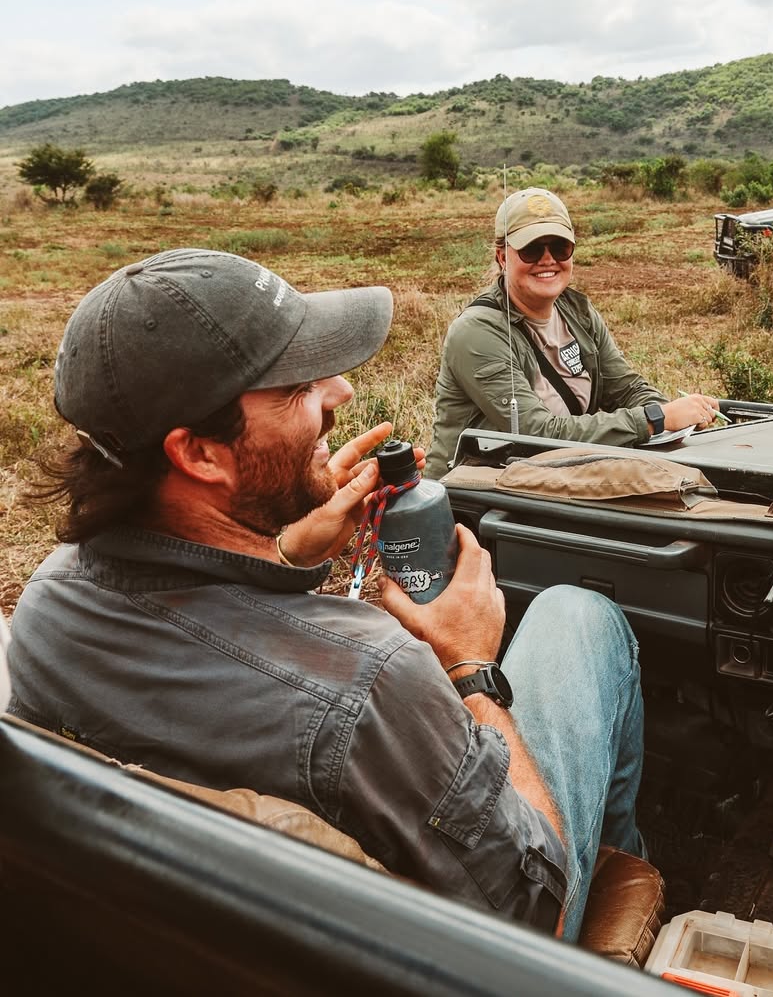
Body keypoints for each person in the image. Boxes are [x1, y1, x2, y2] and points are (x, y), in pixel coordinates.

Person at [5, 248, 645, 940]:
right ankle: (624, 888)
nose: (338, 391)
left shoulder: (50, 600)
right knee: (578, 617)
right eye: (294, 386)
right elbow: (534, 914)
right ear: (200, 455)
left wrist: (278, 554)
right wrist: (470, 670)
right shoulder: (369, 683)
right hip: (504, 955)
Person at [428, 187, 720, 478]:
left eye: (559, 247)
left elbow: (626, 387)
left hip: (552, 477)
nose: (547, 259)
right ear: (502, 257)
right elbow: (537, 433)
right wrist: (652, 420)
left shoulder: (577, 311)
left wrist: (670, 413)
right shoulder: (477, 332)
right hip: (474, 494)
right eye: (530, 249)